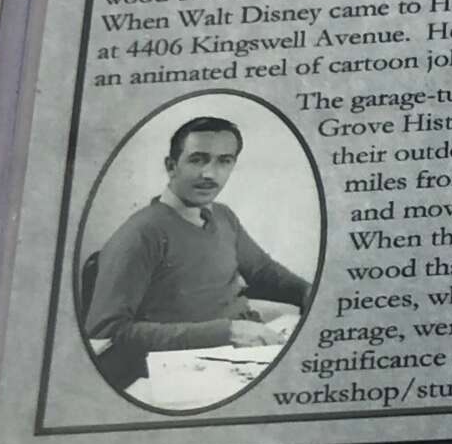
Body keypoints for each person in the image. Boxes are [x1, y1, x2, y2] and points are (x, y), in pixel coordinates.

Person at [83, 115, 310, 355]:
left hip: (248, 348)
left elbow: (263, 272)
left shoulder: (223, 216)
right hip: (186, 363)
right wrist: (228, 332)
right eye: (197, 160)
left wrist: (308, 292)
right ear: (171, 166)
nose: (210, 174)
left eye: (224, 161)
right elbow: (104, 331)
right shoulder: (141, 233)